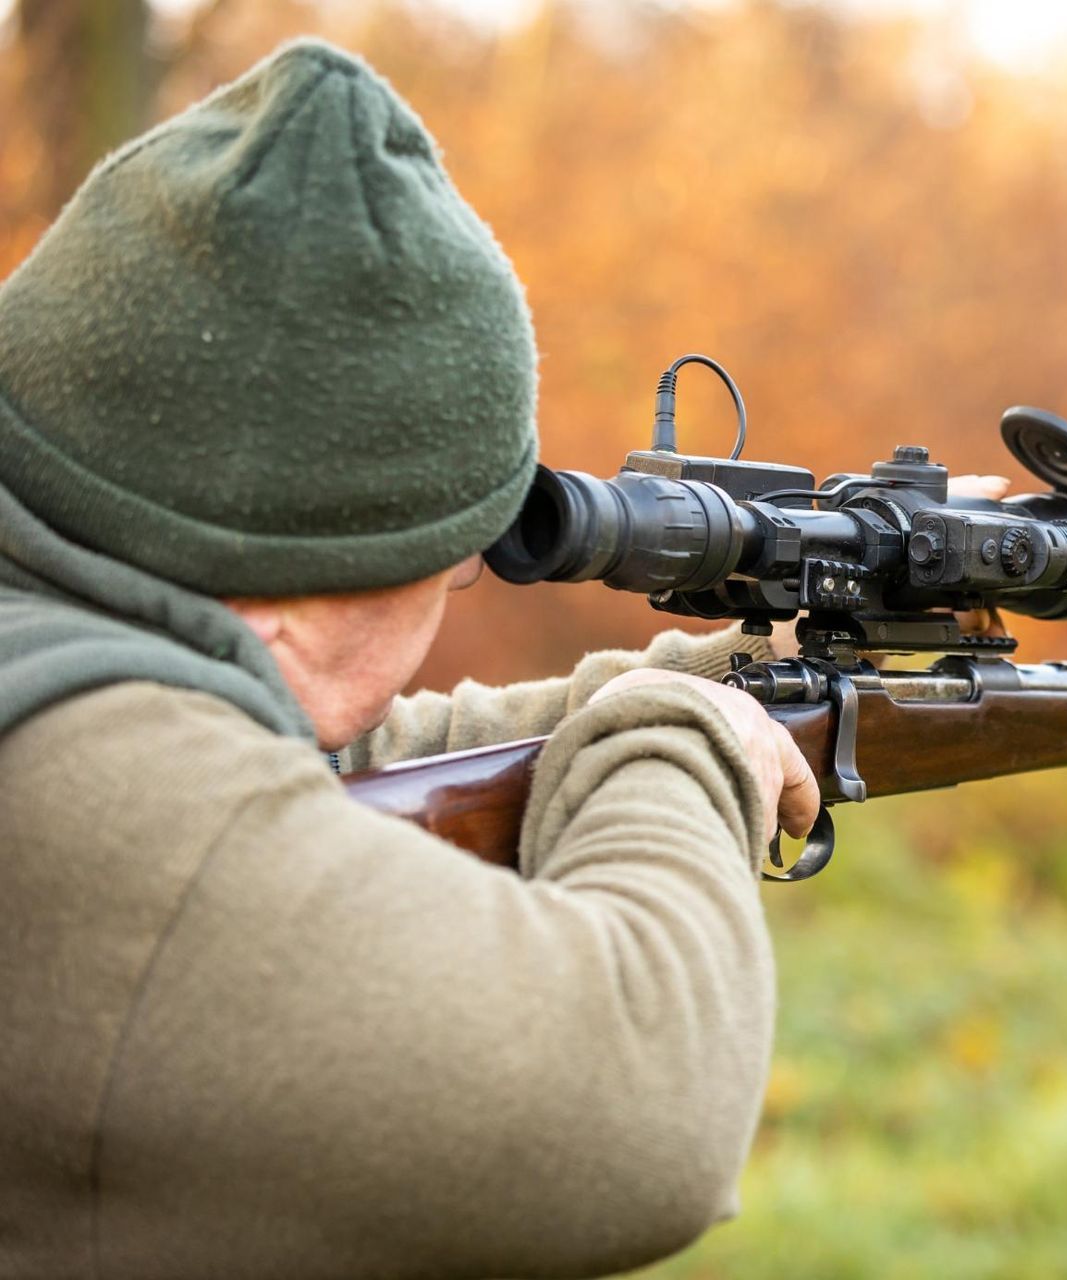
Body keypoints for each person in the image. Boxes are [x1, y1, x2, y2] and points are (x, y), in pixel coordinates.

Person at [0, 38, 821, 1279]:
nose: (457, 587)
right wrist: (681, 748)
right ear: (289, 599)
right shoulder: (96, 805)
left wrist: (682, 689)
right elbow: (642, 1112)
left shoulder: (56, 649)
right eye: (451, 565)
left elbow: (321, 753)